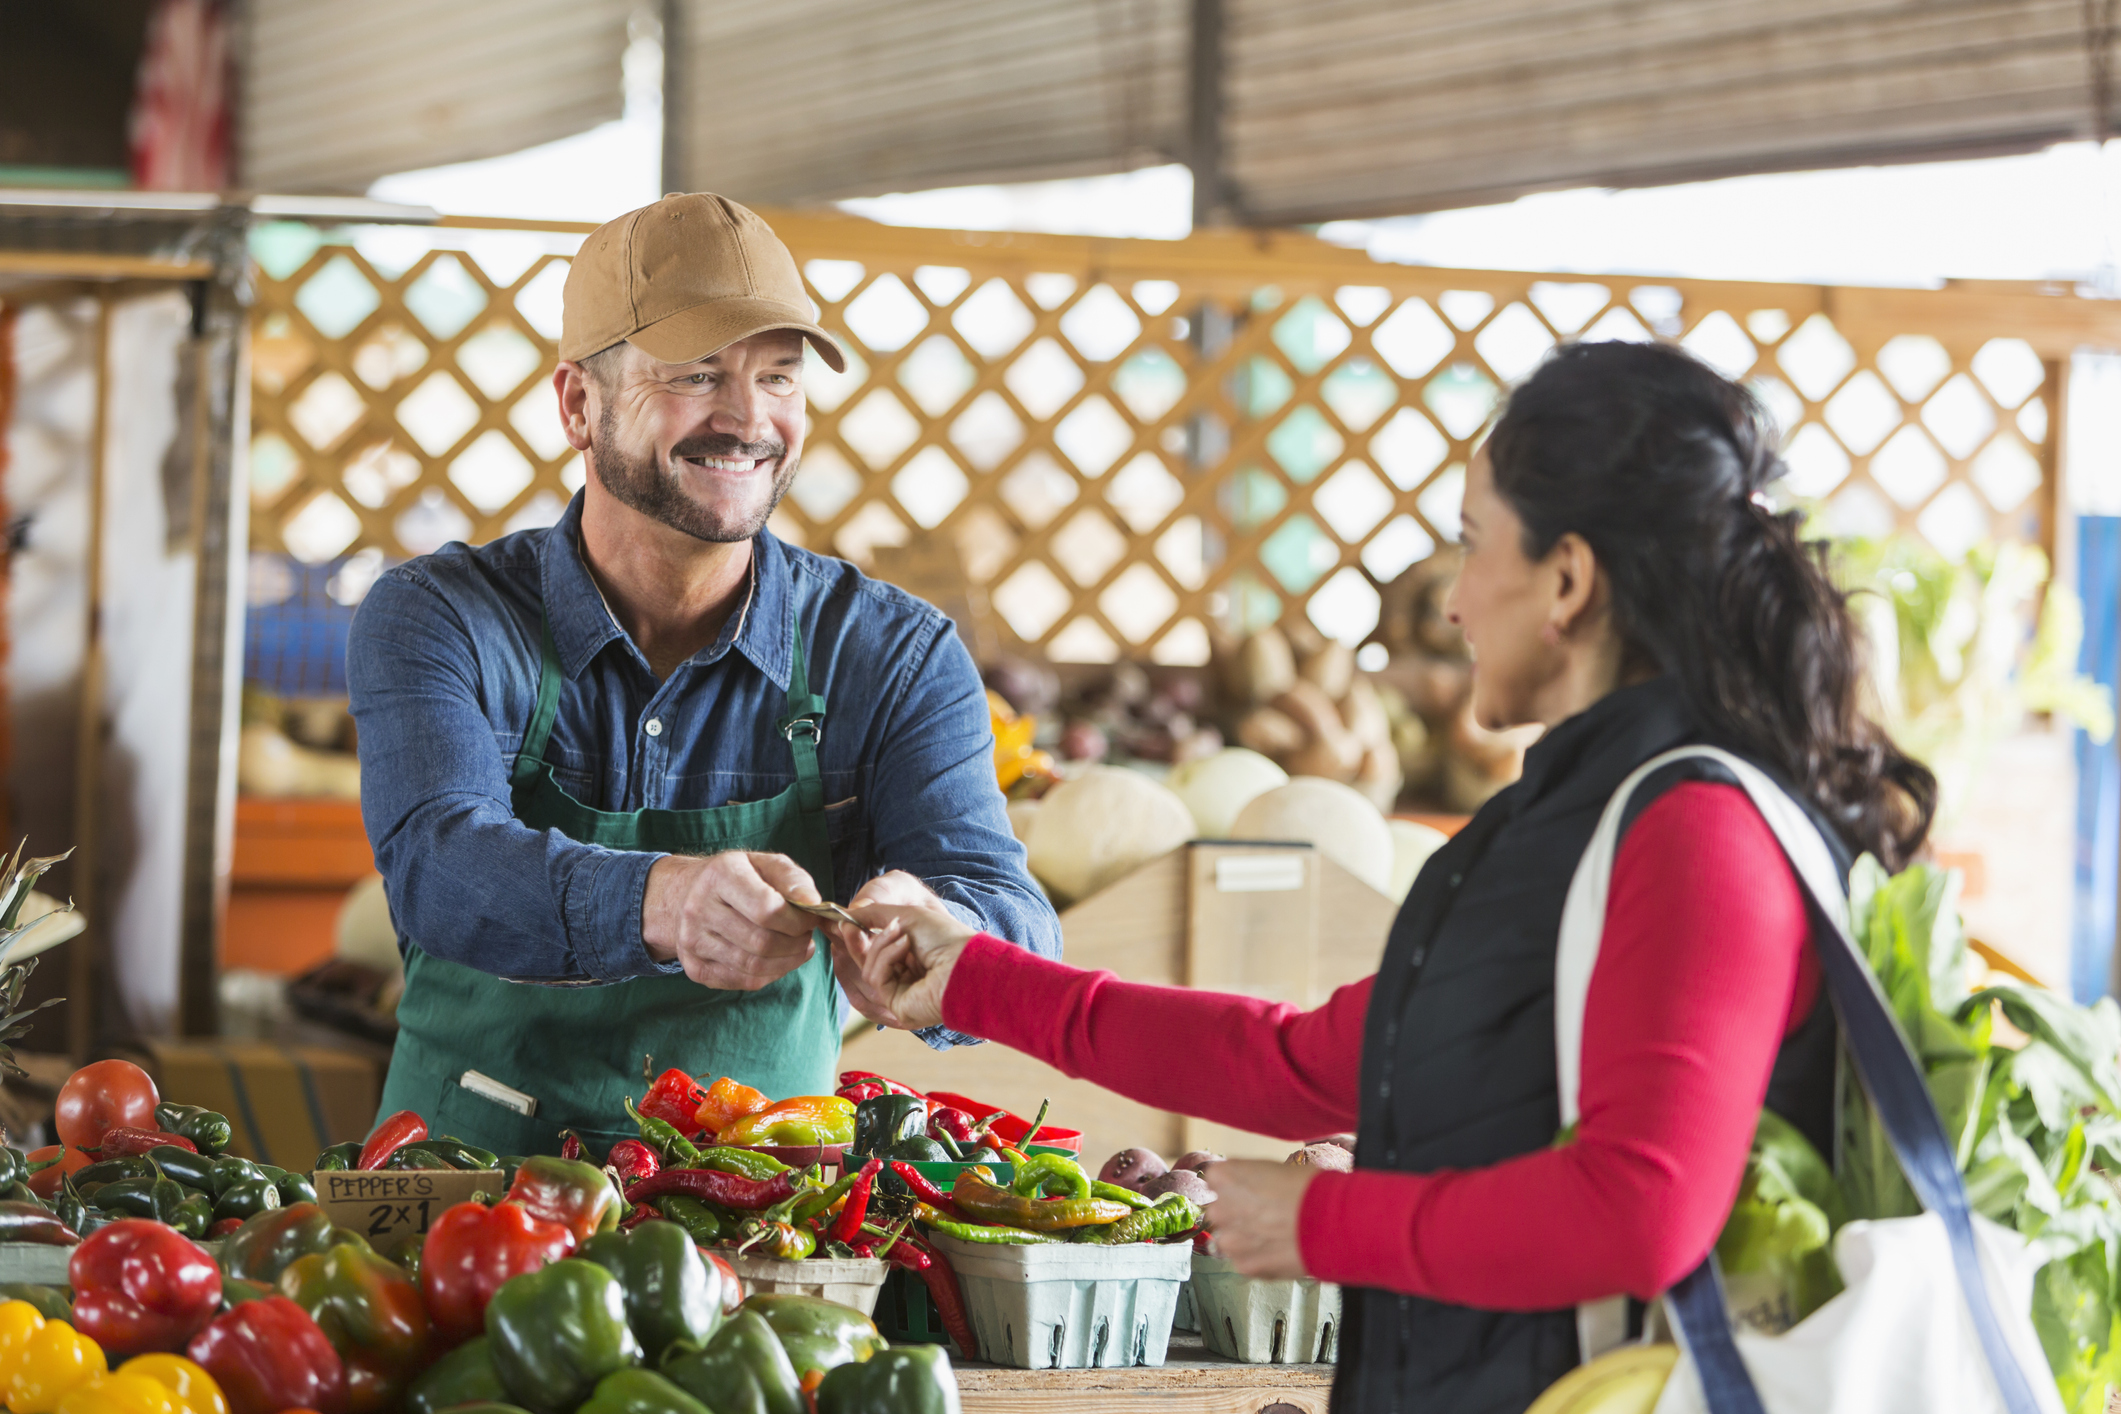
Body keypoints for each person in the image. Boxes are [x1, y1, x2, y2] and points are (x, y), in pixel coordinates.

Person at [832, 341, 1936, 1413]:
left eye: (1471, 545)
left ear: (1566, 578)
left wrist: (1323, 1223)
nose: (1452, 602)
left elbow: (1642, 1209)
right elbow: (1296, 1060)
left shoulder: (1700, 831)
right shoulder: (1563, 824)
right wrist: (970, 976)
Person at [347, 193, 1060, 1156]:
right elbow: (438, 866)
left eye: (778, 377)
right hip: (461, 1194)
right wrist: (666, 902)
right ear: (577, 405)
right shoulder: (441, 616)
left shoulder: (894, 655)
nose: (748, 418)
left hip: (765, 1210)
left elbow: (1010, 914)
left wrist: (949, 935)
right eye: (694, 375)